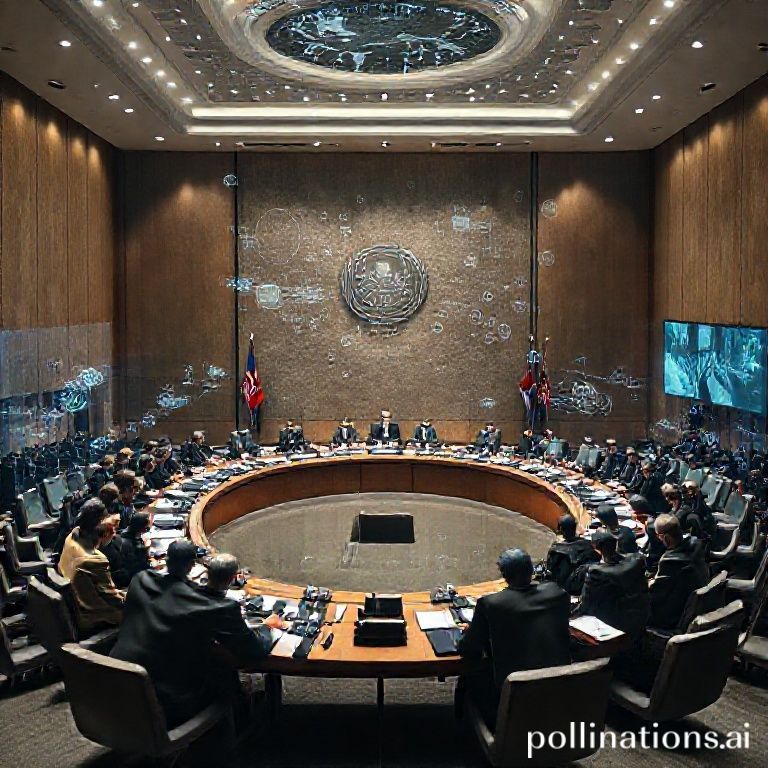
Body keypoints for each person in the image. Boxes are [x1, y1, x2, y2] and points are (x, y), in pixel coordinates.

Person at [110, 543, 281, 766]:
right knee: (231, 678)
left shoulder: (140, 580)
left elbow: (172, 596)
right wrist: (269, 627)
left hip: (115, 683)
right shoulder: (215, 608)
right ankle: (236, 743)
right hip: (168, 700)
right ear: (192, 566)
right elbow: (253, 653)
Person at [458, 548, 570, 722]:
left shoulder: (490, 604)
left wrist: (471, 631)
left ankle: (472, 728)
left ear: (504, 574)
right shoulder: (557, 593)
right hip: (558, 688)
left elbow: (468, 649)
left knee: (468, 677)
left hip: (514, 695)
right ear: (532, 570)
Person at [58, 499, 125, 633]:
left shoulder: (73, 535)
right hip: (92, 617)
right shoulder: (95, 560)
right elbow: (115, 600)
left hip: (75, 605)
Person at [571, 531, 650, 642]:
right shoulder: (637, 559)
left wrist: (570, 617)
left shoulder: (596, 572)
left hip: (616, 626)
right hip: (640, 619)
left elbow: (585, 605)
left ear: (596, 548)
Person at [648, 514, 709, 630]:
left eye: (659, 537)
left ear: (665, 538)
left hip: (678, 613)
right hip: (698, 601)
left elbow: (656, 593)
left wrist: (648, 583)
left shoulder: (668, 560)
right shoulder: (696, 543)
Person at [545, 514, 599, 595]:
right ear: (575, 527)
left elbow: (550, 569)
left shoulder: (555, 549)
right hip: (584, 587)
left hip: (565, 589)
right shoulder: (587, 544)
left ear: (561, 530)